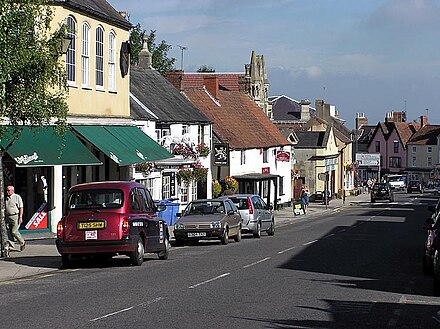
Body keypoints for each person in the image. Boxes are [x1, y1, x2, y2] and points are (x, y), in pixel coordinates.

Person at [5, 185, 25, 251]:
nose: (7, 192)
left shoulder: (17, 197)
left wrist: (20, 217)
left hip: (15, 216)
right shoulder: (5, 198)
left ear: (12, 191)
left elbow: (21, 207)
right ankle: (11, 245)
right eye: (7, 190)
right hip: (7, 216)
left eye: (9, 190)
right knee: (9, 232)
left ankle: (22, 242)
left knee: (14, 231)